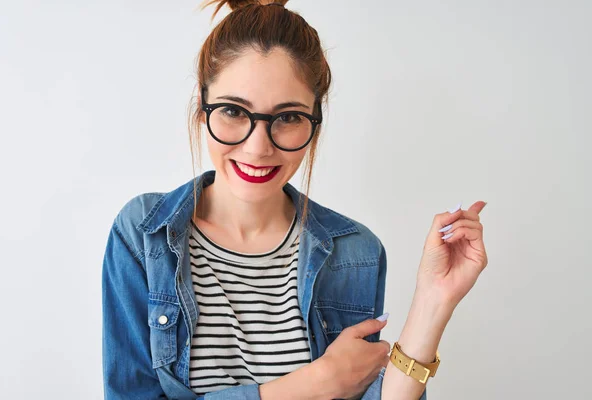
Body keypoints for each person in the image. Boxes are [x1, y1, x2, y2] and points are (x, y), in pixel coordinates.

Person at [101, 1, 489, 399]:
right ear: (203, 109)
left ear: (314, 123)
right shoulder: (145, 233)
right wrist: (312, 385)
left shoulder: (355, 252)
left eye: (287, 118)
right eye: (234, 110)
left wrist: (433, 301)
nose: (257, 148)